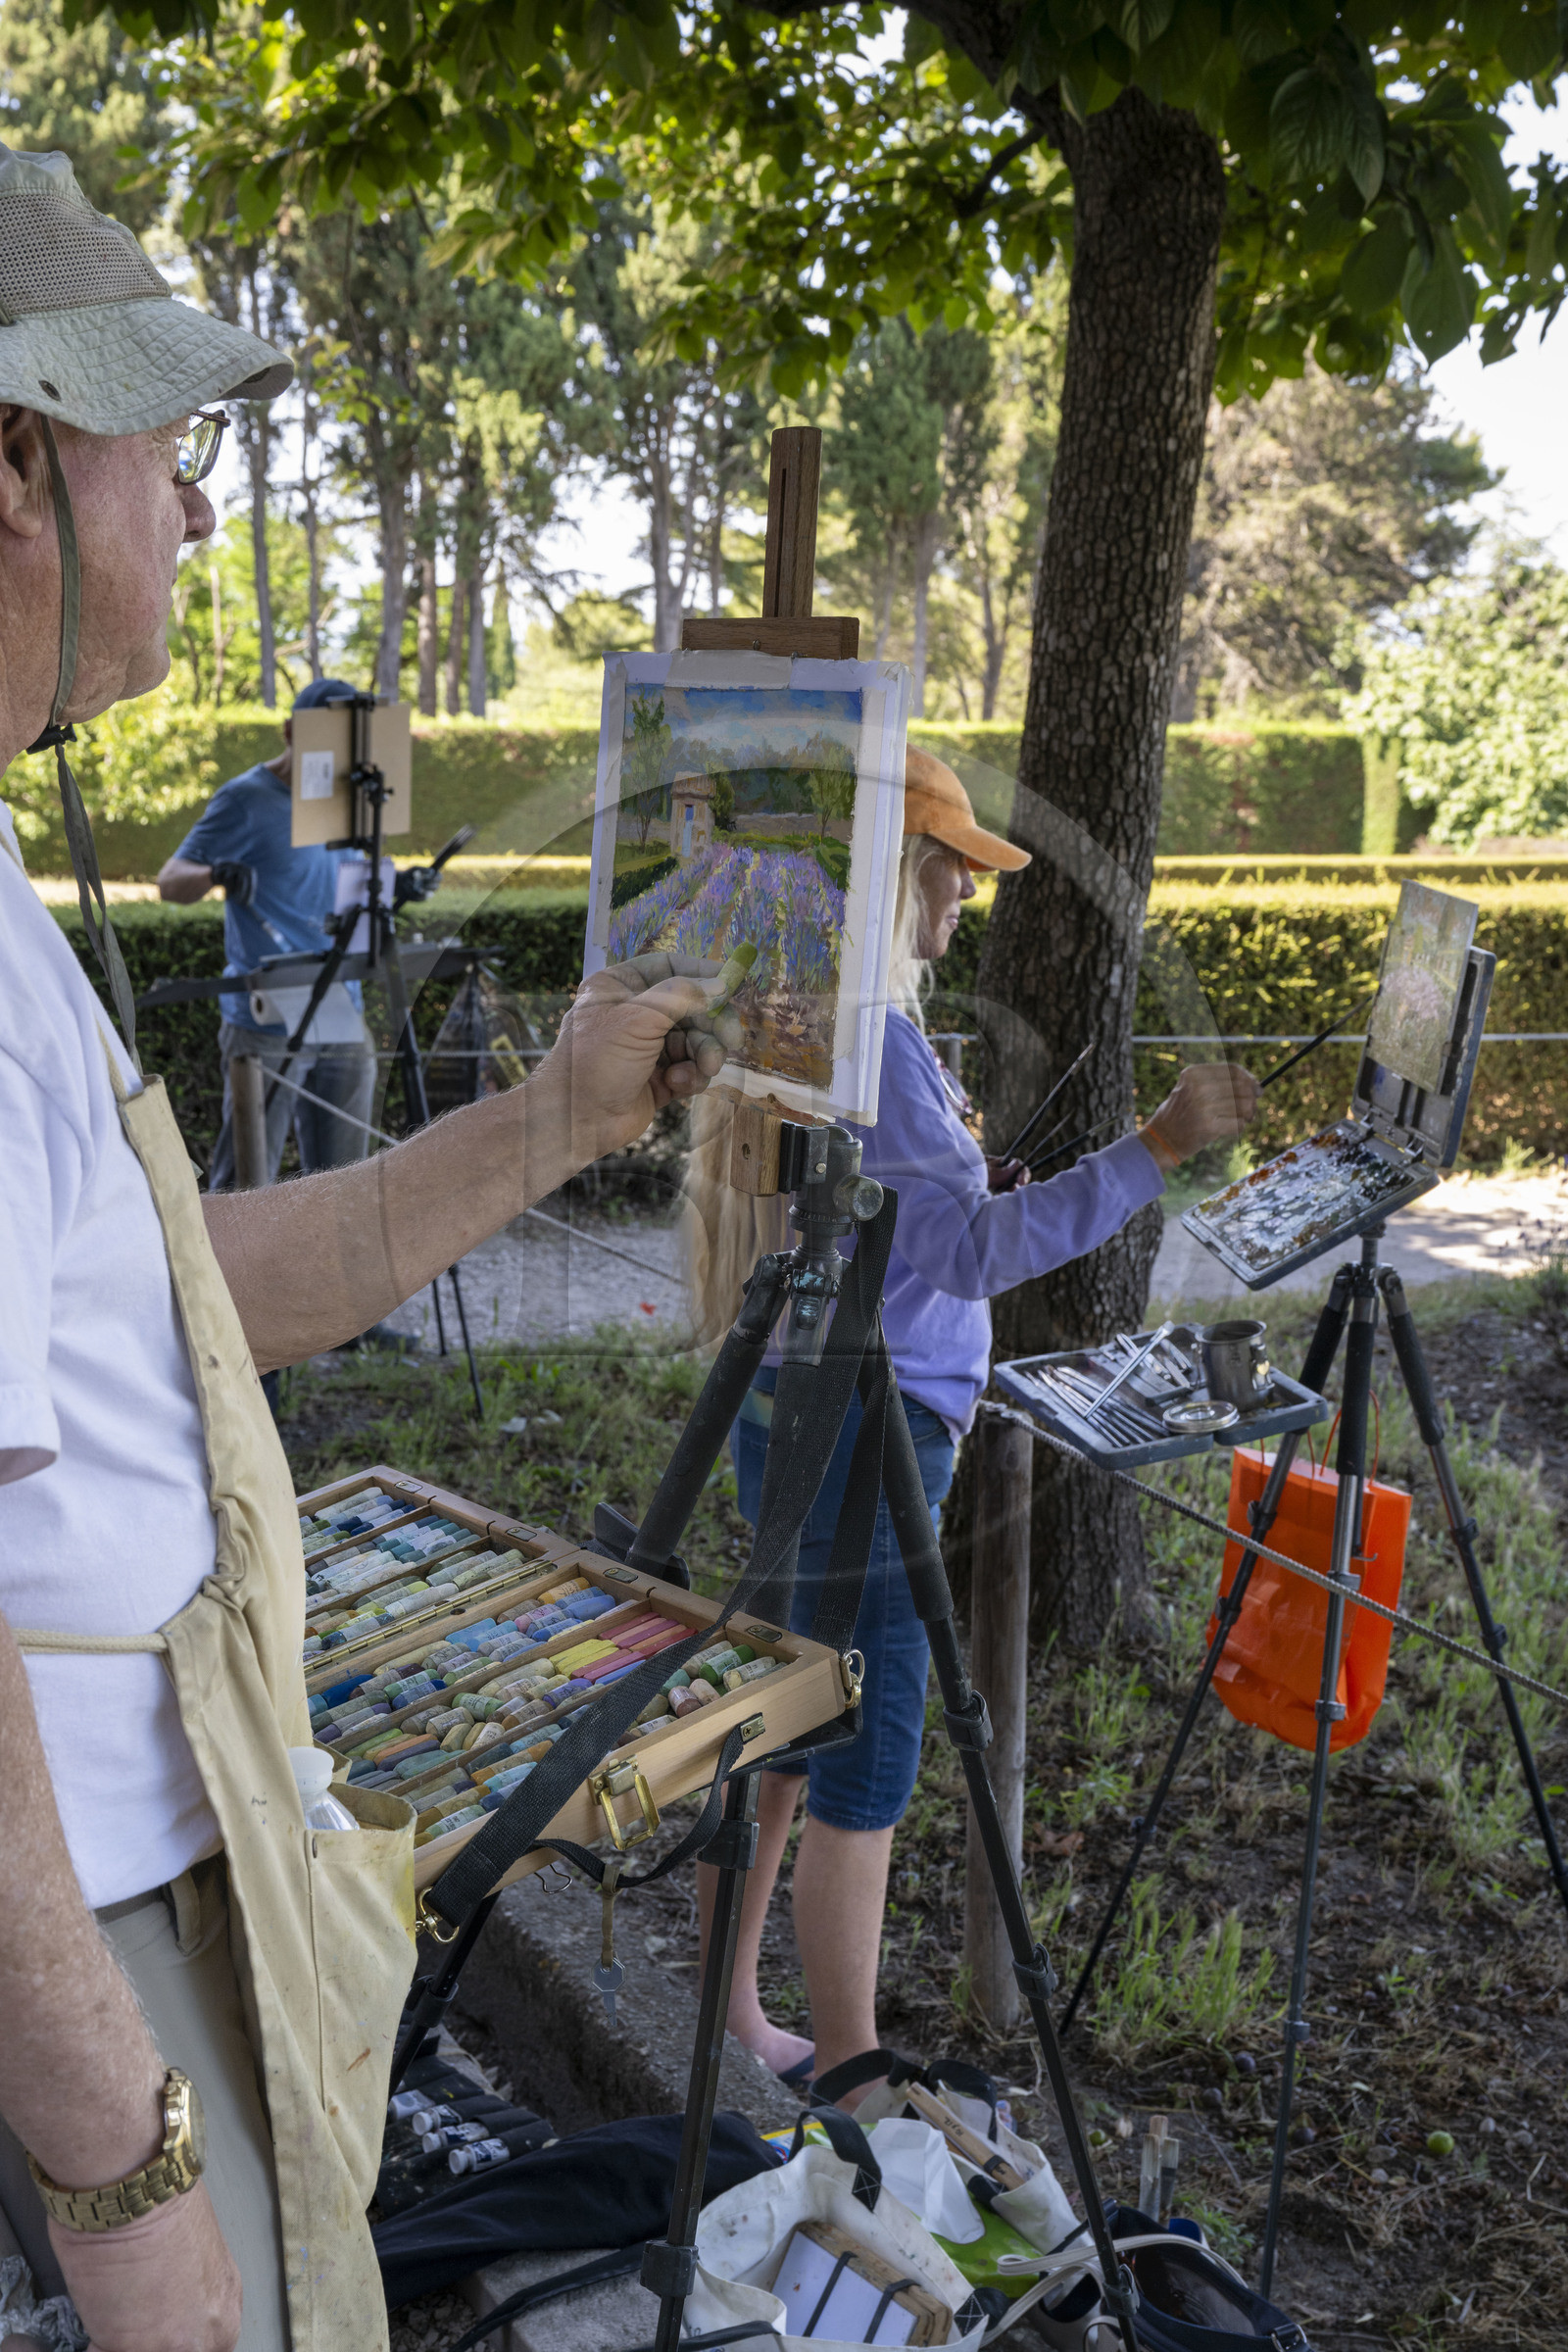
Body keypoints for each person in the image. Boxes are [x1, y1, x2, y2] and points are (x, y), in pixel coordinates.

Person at [0, 144, 734, 2352]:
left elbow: (180, 1297)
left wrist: (553, 1118)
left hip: (151, 1872)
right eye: (170, 449)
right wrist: (123, 2186)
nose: (200, 512)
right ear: (18, 476)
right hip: (91, 1926)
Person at [686, 750, 1260, 2097]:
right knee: (864, 1746)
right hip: (874, 1423)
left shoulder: (827, 1013)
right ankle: (850, 2061)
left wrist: (961, 1180)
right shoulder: (876, 1036)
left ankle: (731, 2017)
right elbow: (971, 1255)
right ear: (906, 871)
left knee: (779, 1708)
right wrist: (1154, 1150)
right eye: (955, 868)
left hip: (801, 1395)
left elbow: (914, 1222)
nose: (970, 897)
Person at [157, 678, 378, 1194]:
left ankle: (326, 1275)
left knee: (343, 1183)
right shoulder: (246, 799)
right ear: (289, 731)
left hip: (340, 1005)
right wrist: (215, 875)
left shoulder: (351, 797)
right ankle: (226, 1275)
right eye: (324, 736)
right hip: (265, 1014)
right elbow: (170, 881)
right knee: (245, 1184)